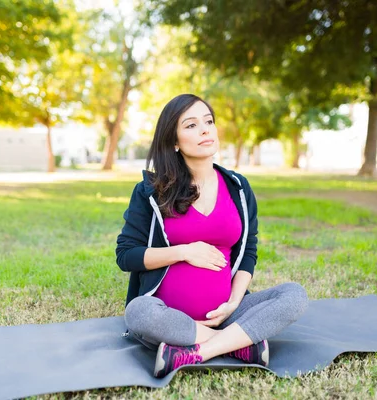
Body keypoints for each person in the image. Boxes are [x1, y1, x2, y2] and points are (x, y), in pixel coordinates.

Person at [116, 94, 308, 379]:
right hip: (169, 315)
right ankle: (238, 344)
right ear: (174, 141)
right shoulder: (151, 191)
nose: (205, 129)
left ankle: (197, 351)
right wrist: (184, 251)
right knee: (138, 312)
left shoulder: (239, 187)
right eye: (191, 125)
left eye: (209, 121)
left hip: (229, 312)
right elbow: (126, 255)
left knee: (294, 295)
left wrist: (234, 300)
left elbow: (248, 251)